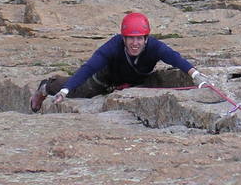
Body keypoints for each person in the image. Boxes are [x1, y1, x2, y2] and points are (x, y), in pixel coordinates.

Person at [29, 12, 212, 112]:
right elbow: (89, 67)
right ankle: (46, 87)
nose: (135, 43)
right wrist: (64, 91)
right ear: (123, 39)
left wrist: (195, 75)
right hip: (104, 80)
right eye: (130, 39)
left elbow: (175, 58)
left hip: (134, 81)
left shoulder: (155, 47)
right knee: (82, 91)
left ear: (146, 38)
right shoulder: (112, 47)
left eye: (139, 38)